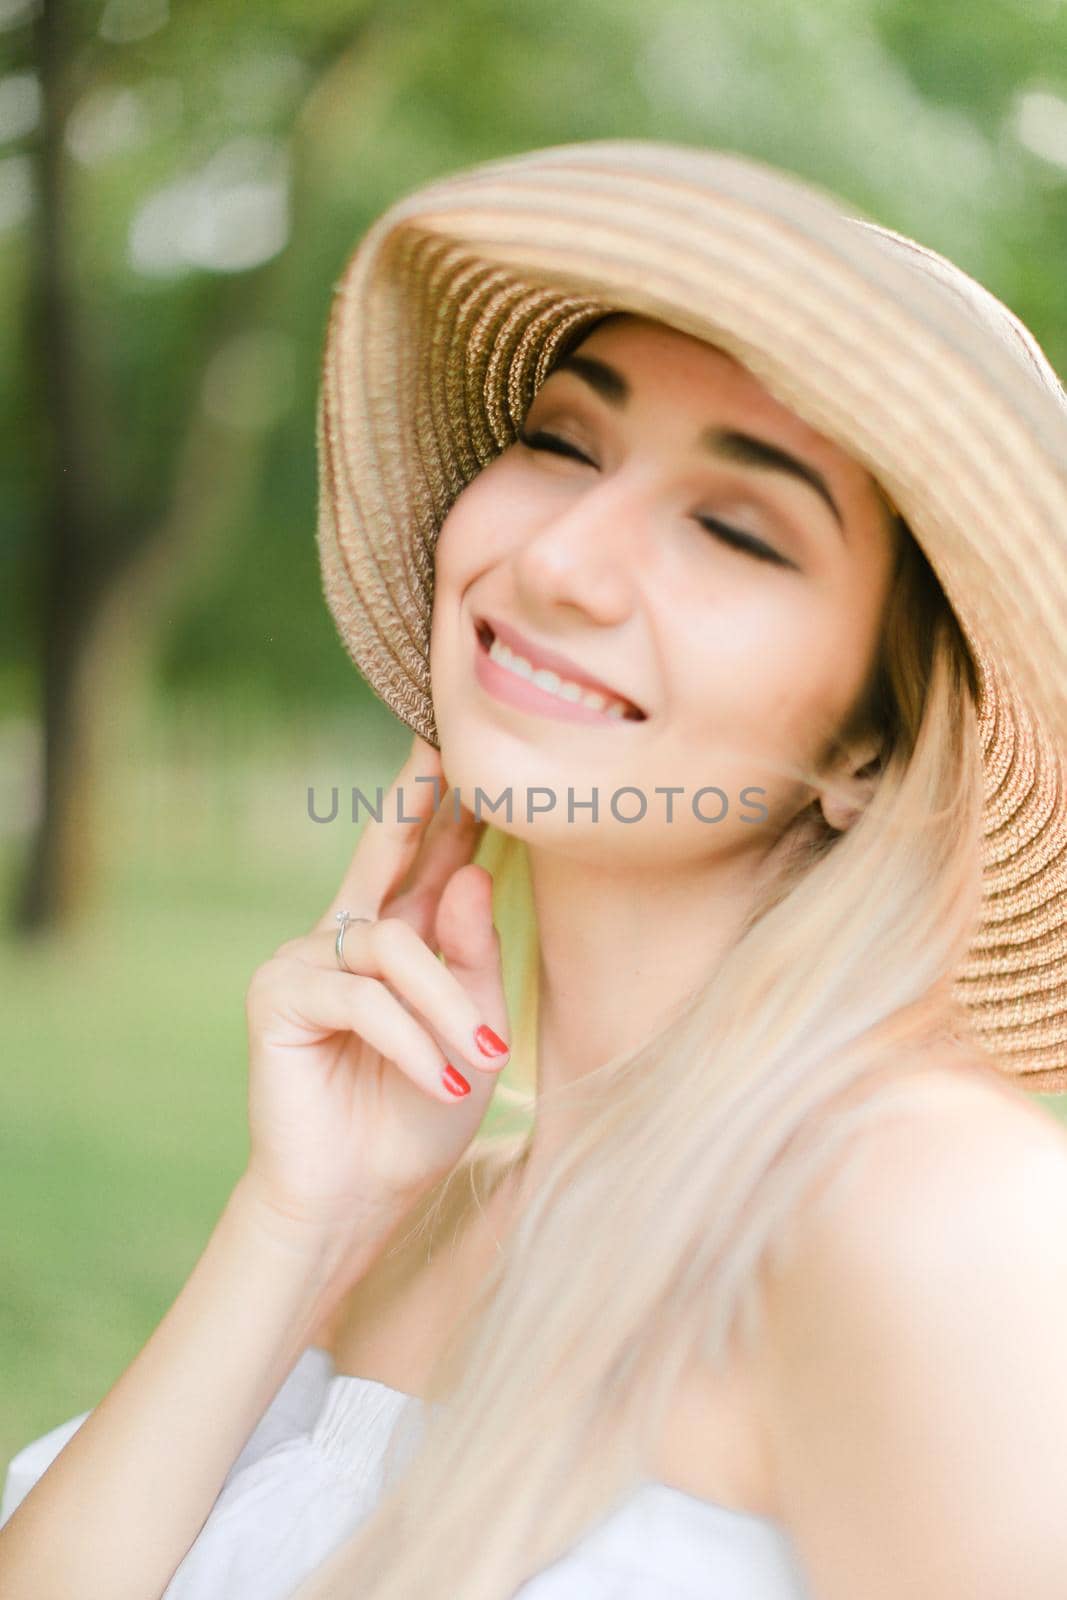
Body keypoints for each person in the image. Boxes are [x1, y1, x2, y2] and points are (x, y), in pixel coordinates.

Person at [3, 139, 1067, 1600]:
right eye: (565, 441)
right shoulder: (410, 1212)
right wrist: (296, 1217)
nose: (565, 559)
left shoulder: (926, 1217)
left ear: (872, 743)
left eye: (737, 528)